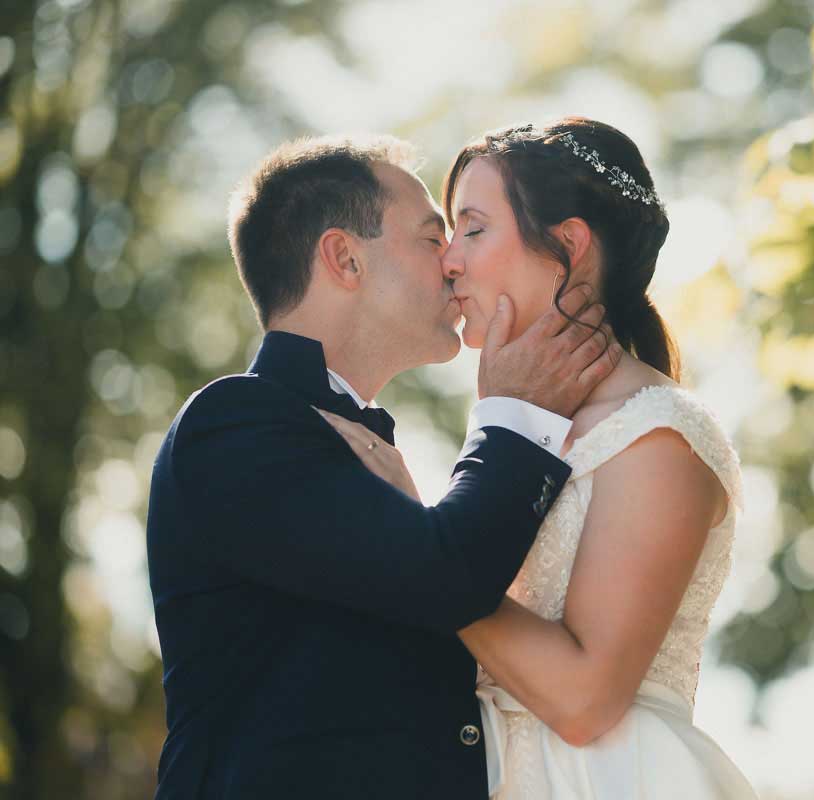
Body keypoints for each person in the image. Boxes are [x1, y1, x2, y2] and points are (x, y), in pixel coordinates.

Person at [145, 134, 621, 799]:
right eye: (432, 239)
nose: (455, 263)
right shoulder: (232, 426)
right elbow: (447, 578)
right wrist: (515, 412)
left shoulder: (355, 447)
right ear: (344, 258)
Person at [324, 118, 757, 798]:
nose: (449, 260)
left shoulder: (658, 437)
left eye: (472, 228)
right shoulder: (526, 431)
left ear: (568, 243)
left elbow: (586, 700)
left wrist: (418, 540)